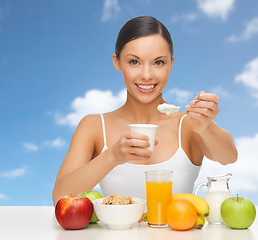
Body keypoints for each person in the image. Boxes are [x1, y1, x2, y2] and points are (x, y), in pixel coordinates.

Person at [52, 16, 237, 206]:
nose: (147, 75)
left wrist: (206, 126)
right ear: (117, 62)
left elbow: (229, 157)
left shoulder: (189, 124)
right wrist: (112, 156)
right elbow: (60, 196)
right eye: (134, 62)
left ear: (171, 63)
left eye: (158, 62)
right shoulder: (94, 126)